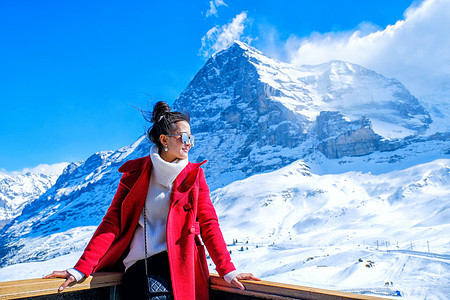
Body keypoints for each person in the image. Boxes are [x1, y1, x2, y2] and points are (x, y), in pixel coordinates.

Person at [44, 101, 260, 299]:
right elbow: (111, 224)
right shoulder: (134, 175)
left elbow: (209, 224)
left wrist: (227, 270)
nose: (189, 144)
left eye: (191, 138)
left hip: (184, 269)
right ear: (164, 139)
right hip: (141, 269)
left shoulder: (195, 176)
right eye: (184, 138)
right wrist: (81, 268)